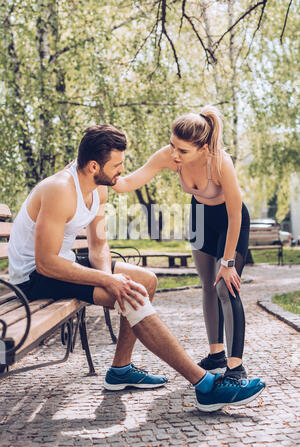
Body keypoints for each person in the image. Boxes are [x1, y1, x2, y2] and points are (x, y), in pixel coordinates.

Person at [8, 124, 264, 412]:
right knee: (133, 293)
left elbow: (98, 244)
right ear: (94, 166)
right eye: (116, 166)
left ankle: (120, 369)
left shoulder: (97, 190)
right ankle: (205, 386)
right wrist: (110, 282)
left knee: (147, 279)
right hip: (34, 277)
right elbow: (45, 263)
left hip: (60, 263)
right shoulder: (59, 190)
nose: (121, 173)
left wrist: (107, 276)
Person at [112, 106, 252, 381]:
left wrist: (228, 263)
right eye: (173, 145)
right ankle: (216, 355)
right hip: (200, 217)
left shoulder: (221, 162)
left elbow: (235, 213)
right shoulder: (169, 155)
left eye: (183, 151)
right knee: (208, 285)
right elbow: (129, 182)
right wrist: (102, 173)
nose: (175, 155)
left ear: (202, 148)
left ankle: (236, 368)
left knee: (226, 285)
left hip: (229, 220)